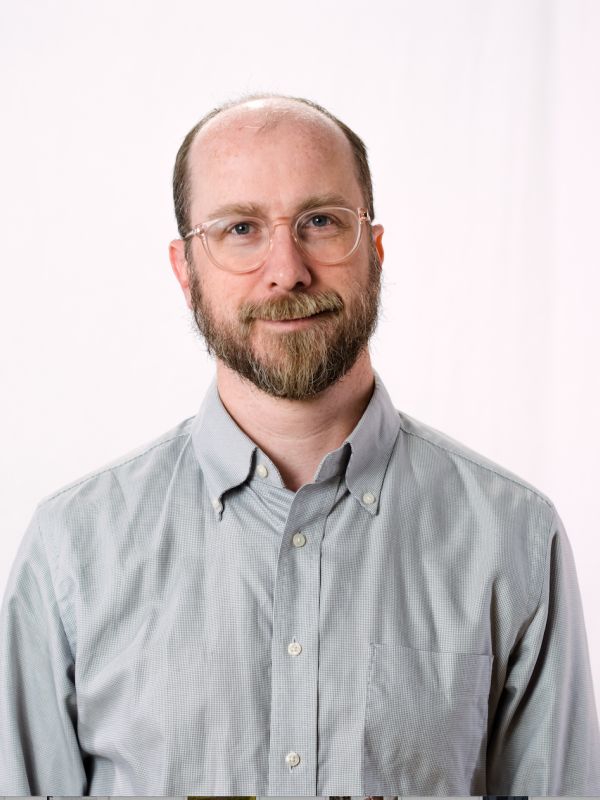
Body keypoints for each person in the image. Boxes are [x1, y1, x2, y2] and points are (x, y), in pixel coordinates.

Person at [0, 94, 599, 797]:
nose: (287, 269)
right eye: (241, 228)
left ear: (374, 250)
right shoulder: (72, 551)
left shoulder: (513, 538)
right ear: (184, 268)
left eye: (319, 222)